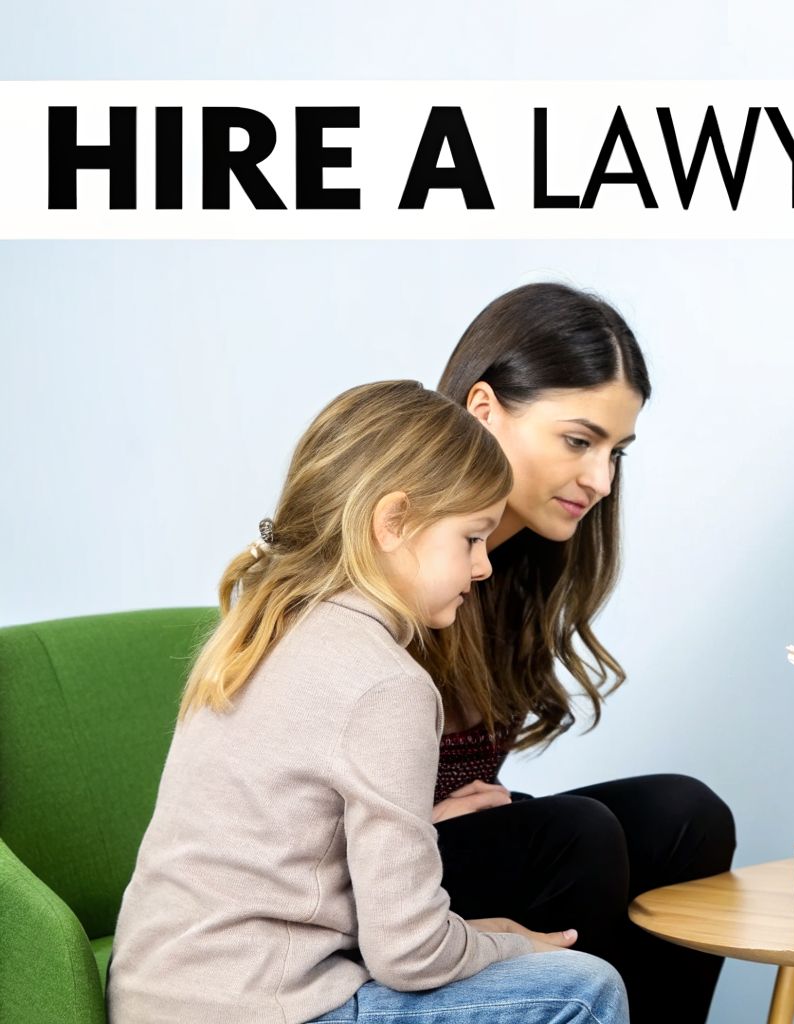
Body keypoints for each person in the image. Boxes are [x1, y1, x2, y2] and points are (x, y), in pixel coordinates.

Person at [109, 380, 626, 1024]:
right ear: (393, 522)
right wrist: (504, 944)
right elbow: (409, 956)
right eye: (470, 539)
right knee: (584, 988)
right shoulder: (386, 683)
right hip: (266, 1007)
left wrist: (470, 934)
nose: (483, 567)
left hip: (160, 997)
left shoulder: (270, 627)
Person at [416, 282, 736, 1024]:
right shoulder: (392, 549)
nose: (602, 480)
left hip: (448, 839)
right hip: (364, 865)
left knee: (685, 814)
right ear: (484, 410)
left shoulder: (522, 564)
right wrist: (409, 822)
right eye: (579, 441)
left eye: (616, 451)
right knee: (576, 838)